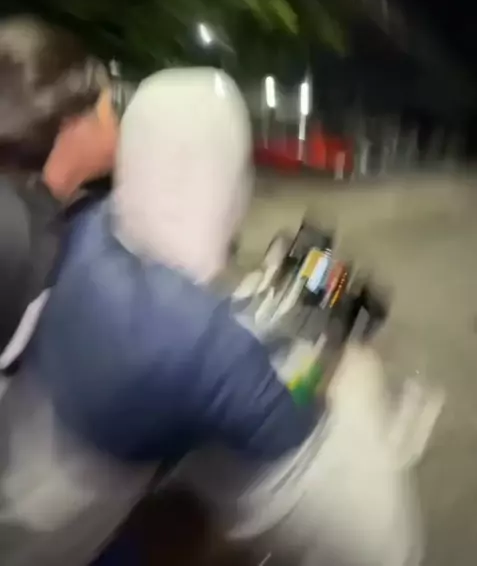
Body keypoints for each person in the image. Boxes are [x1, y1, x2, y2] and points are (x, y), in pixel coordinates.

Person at [0, 67, 317, 566]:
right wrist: (320, 363)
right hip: (59, 543)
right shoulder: (206, 343)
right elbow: (290, 416)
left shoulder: (83, 227)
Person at [0, 15, 119, 374]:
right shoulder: (14, 229)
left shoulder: (29, 208)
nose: (118, 121)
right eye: (109, 106)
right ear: (74, 124)